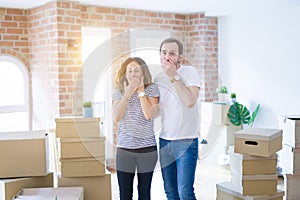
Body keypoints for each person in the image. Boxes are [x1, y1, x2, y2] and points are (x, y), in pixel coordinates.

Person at [154, 38, 201, 200]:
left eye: (172, 54)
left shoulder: (190, 72)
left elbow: (189, 101)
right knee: (170, 191)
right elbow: (157, 111)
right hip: (165, 141)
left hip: (186, 141)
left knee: (185, 192)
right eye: (164, 53)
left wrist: (174, 76)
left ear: (180, 57)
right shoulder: (158, 78)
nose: (167, 57)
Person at [112, 57, 160, 200]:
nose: (133, 74)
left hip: (147, 149)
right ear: (125, 74)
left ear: (143, 73)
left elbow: (149, 115)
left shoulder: (151, 88)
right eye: (130, 71)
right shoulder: (119, 91)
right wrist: (127, 93)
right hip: (124, 150)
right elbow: (116, 117)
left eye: (136, 70)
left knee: (144, 193)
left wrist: (140, 91)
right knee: (125, 194)